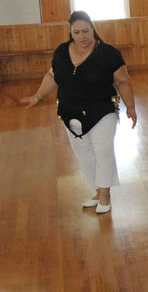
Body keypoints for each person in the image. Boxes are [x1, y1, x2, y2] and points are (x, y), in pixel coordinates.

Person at [21, 11, 137, 214]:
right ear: (70, 32)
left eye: (85, 31)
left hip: (102, 110)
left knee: (103, 151)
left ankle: (105, 194)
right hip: (70, 112)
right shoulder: (61, 52)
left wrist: (131, 107)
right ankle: (97, 190)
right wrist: (37, 97)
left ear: (93, 29)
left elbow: (123, 81)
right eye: (77, 32)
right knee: (84, 154)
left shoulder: (109, 53)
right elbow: (52, 77)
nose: (82, 36)